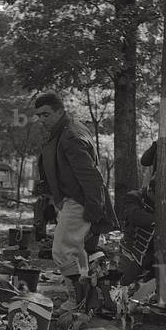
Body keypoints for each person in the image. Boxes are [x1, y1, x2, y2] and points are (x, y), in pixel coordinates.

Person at [34, 91, 108, 299]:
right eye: (38, 115)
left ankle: (78, 300)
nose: (41, 119)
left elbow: (90, 176)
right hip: (68, 200)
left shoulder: (71, 135)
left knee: (61, 251)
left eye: (46, 114)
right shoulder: (63, 132)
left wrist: (94, 208)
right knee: (76, 251)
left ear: (60, 112)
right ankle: (87, 299)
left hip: (80, 201)